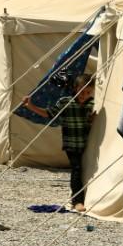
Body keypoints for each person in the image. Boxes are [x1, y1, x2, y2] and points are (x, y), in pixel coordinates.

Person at [21, 74, 95, 212]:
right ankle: (77, 201)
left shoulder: (92, 103)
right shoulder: (65, 102)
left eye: (88, 92)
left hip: (86, 144)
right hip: (71, 144)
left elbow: (90, 121)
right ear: (75, 88)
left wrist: (91, 120)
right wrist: (30, 106)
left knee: (83, 170)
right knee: (77, 169)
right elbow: (49, 114)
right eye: (81, 91)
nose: (84, 95)